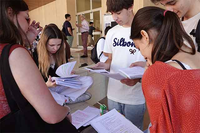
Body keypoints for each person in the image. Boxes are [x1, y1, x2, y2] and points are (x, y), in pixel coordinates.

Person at [0, 0, 77, 132]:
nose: (29, 25)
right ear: (10, 13)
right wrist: (66, 111)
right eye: (26, 18)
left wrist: (25, 41)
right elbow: (52, 115)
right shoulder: (15, 52)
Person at [130, 6, 200, 133]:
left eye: (138, 47)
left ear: (144, 36)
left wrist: (149, 73)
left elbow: (160, 128)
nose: (142, 54)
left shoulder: (159, 75)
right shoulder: (194, 53)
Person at [93, 0, 146, 130]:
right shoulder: (112, 32)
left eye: (118, 13)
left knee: (133, 129)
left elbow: (153, 61)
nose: (114, 18)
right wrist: (104, 66)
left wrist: (141, 72)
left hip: (136, 96)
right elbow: (110, 59)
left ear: (130, 7)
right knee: (114, 129)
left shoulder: (144, 30)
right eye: (112, 13)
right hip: (113, 94)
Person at [36, 24, 91, 104]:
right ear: (44, 43)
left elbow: (62, 73)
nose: (55, 48)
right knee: (41, 94)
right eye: (52, 45)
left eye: (58, 45)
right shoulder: (36, 54)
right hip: (46, 88)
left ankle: (62, 98)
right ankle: (66, 99)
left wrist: (68, 74)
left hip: (60, 86)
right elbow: (33, 86)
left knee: (88, 80)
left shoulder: (61, 52)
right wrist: (46, 85)